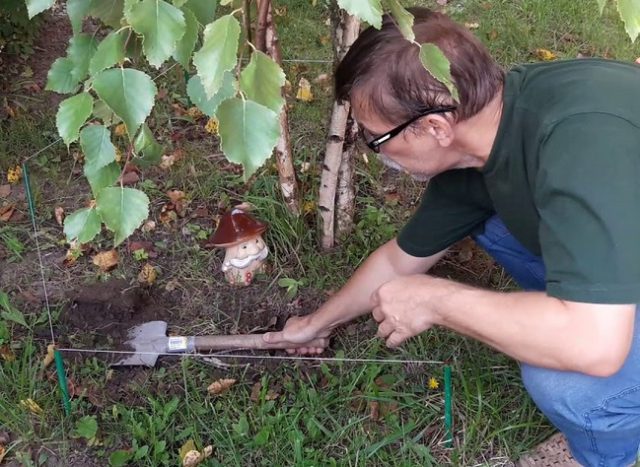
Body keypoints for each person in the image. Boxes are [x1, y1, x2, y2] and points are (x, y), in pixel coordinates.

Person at [263, 7, 640, 466]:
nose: (375, 150)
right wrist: (318, 323)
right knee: (492, 226)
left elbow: (594, 346)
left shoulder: (580, 146)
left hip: (601, 317)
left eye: (376, 139)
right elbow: (400, 260)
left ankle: (604, 451)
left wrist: (436, 300)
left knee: (569, 384)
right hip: (620, 235)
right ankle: (577, 300)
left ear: (436, 127)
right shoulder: (490, 131)